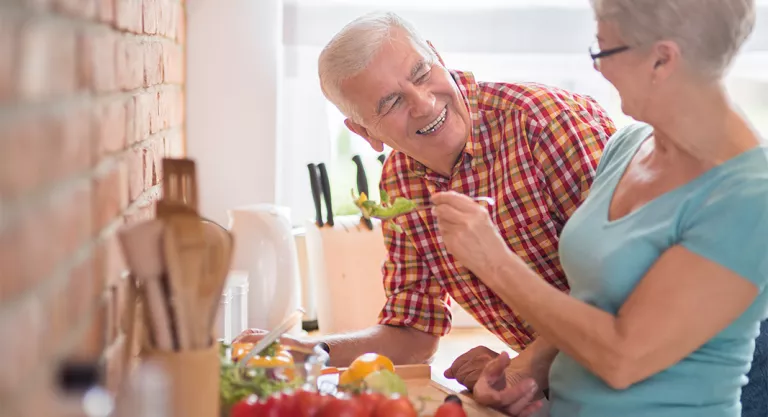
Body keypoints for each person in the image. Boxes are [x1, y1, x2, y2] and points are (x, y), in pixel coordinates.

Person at [236, 8, 613, 397]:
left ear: (438, 56)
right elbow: (414, 332)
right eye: (390, 102)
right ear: (364, 132)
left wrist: (525, 367)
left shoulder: (543, 123)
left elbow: (619, 282)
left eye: (420, 73)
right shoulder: (399, 184)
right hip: (569, 388)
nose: (423, 103)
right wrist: (312, 351)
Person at [432, 0, 767, 416]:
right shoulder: (626, 147)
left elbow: (623, 358)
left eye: (604, 50)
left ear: (662, 60)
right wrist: (525, 376)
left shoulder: (749, 196)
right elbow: (595, 302)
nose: (598, 68)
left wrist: (495, 261)